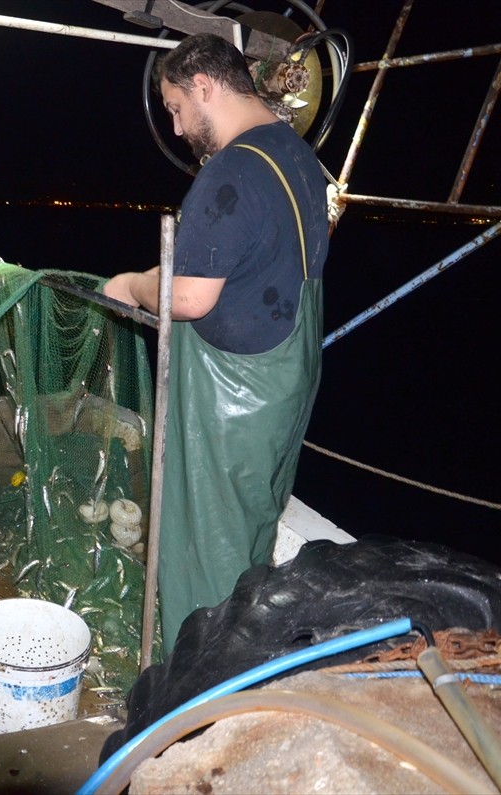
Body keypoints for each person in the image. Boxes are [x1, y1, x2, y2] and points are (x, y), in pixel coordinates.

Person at [102, 34, 329, 654]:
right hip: (284, 379)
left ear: (203, 86)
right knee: (251, 531)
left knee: (206, 546)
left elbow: (189, 297)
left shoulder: (232, 170)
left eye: (176, 108)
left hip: (233, 397)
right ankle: (239, 650)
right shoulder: (296, 154)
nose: (177, 128)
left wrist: (131, 284)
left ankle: (199, 680)